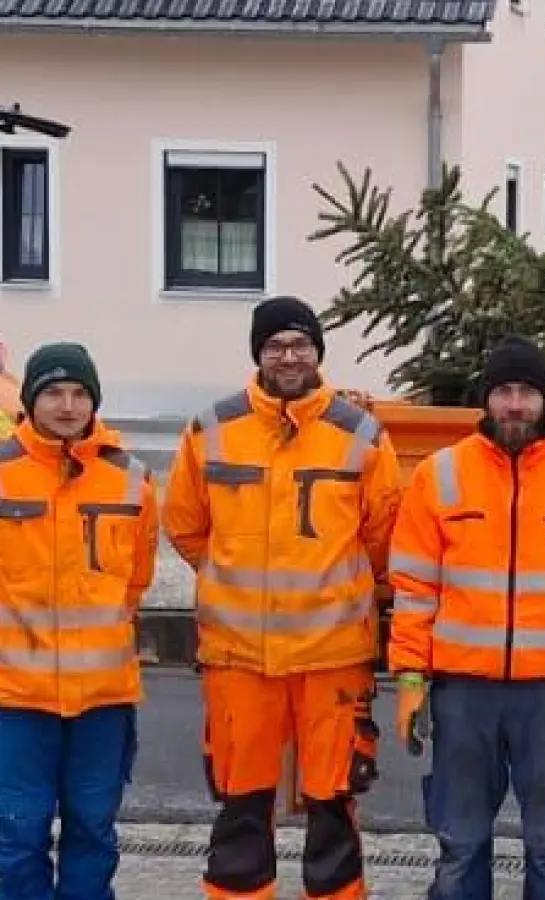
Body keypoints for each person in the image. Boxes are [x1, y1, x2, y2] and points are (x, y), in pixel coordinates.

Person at [162, 296, 402, 900]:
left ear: (318, 352)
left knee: (333, 803)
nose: (288, 356)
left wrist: (338, 590)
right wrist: (231, 576)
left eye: (300, 344)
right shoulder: (211, 431)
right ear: (258, 355)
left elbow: (384, 536)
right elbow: (186, 525)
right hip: (239, 658)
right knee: (241, 803)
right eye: (275, 346)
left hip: (332, 660)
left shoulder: (361, 434)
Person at [388, 335, 545, 900]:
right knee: (460, 847)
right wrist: (409, 678)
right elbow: (413, 591)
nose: (515, 404)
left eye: (527, 391)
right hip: (464, 693)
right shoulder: (440, 476)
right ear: (485, 400)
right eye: (503, 391)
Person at [0, 343, 157, 900]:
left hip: (102, 700)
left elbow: (135, 579)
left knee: (94, 830)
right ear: (29, 400)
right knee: (17, 834)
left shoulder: (131, 480)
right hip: (16, 700)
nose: (67, 406)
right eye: (53, 392)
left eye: (79, 393)